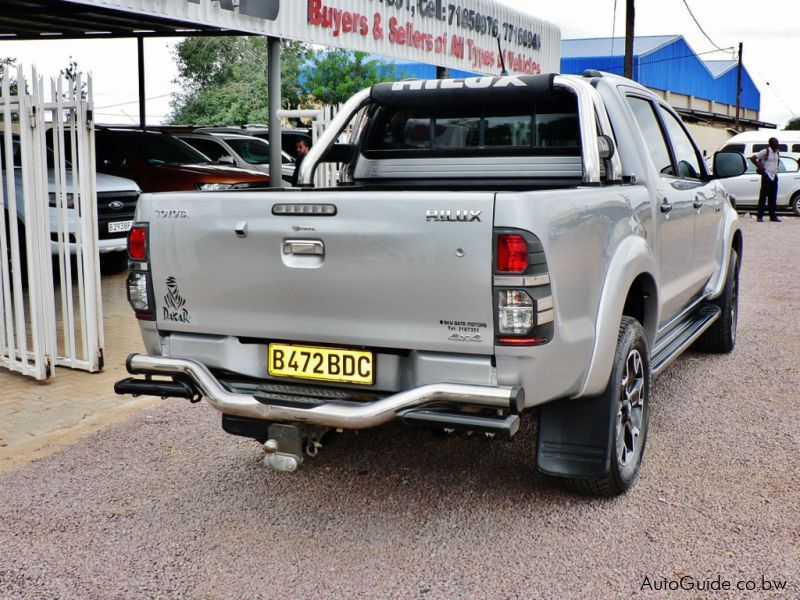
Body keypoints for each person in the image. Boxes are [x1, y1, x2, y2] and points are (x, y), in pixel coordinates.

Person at [750, 137, 782, 222]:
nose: (777, 145)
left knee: (773, 198)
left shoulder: (777, 152)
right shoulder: (765, 151)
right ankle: (760, 216)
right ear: (770, 144)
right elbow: (752, 158)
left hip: (774, 176)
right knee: (763, 197)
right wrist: (760, 167)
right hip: (767, 176)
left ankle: (773, 216)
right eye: (775, 144)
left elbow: (777, 162)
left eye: (777, 144)